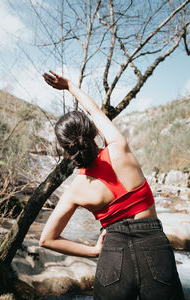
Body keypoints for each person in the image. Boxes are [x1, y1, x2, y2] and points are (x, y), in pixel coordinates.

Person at [39, 70, 185, 300]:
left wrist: (94, 251)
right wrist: (69, 86)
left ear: (66, 149)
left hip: (113, 255)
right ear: (93, 131)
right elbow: (94, 110)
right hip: (155, 248)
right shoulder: (119, 147)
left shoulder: (76, 189)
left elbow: (47, 239)